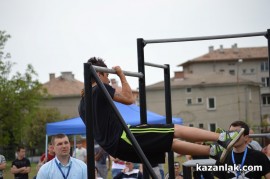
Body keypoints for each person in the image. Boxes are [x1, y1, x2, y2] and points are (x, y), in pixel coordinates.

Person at [79, 57, 245, 164]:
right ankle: (223, 137)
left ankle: (212, 151)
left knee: (170, 143)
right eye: (107, 76)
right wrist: (122, 75)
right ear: (99, 74)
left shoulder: (82, 104)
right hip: (125, 138)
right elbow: (130, 99)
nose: (108, 80)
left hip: (116, 149)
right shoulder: (99, 89)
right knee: (174, 129)